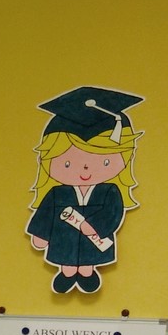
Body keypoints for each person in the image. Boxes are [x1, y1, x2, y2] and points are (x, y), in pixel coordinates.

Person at [27, 86, 142, 294]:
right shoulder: (57, 193)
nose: (86, 169)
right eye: (67, 163)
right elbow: (45, 213)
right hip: (64, 239)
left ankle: (87, 272)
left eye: (105, 161)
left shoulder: (110, 191)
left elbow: (113, 213)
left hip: (93, 239)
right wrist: (41, 234)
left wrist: (92, 226)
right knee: (66, 259)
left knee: (88, 262)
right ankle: (67, 272)